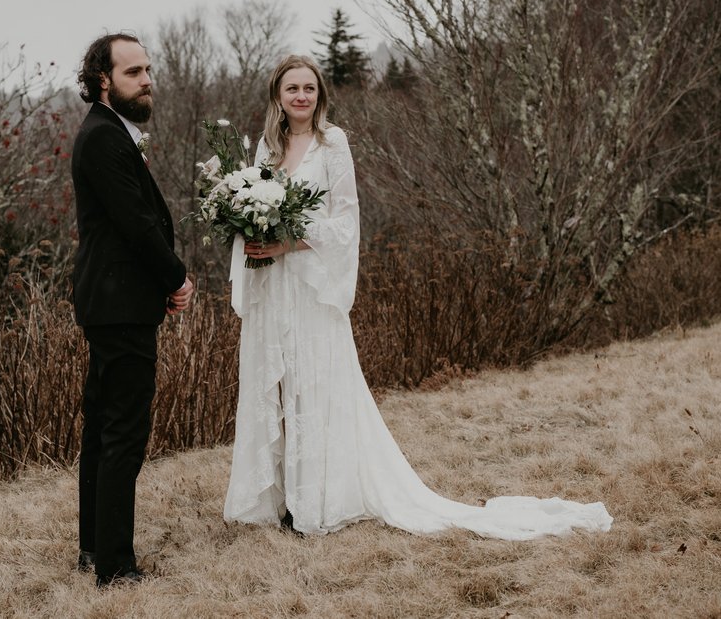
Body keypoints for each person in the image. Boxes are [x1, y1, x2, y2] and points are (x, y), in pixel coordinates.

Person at [223, 54, 612, 539]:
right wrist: (254, 236)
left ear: (320, 94)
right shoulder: (266, 147)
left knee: (316, 382)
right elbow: (256, 207)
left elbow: (346, 221)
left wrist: (288, 241)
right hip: (276, 285)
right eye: (291, 89)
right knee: (280, 385)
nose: (301, 96)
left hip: (311, 284)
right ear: (277, 97)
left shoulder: (333, 142)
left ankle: (318, 497)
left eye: (309, 88)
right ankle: (278, 496)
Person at [71, 33, 194, 587]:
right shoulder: (102, 138)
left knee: (102, 429)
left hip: (112, 303)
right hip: (121, 304)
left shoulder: (112, 132)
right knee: (123, 433)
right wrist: (176, 276)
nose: (147, 80)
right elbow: (136, 225)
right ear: (103, 81)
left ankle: (95, 550)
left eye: (147, 70)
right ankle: (116, 567)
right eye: (133, 72)